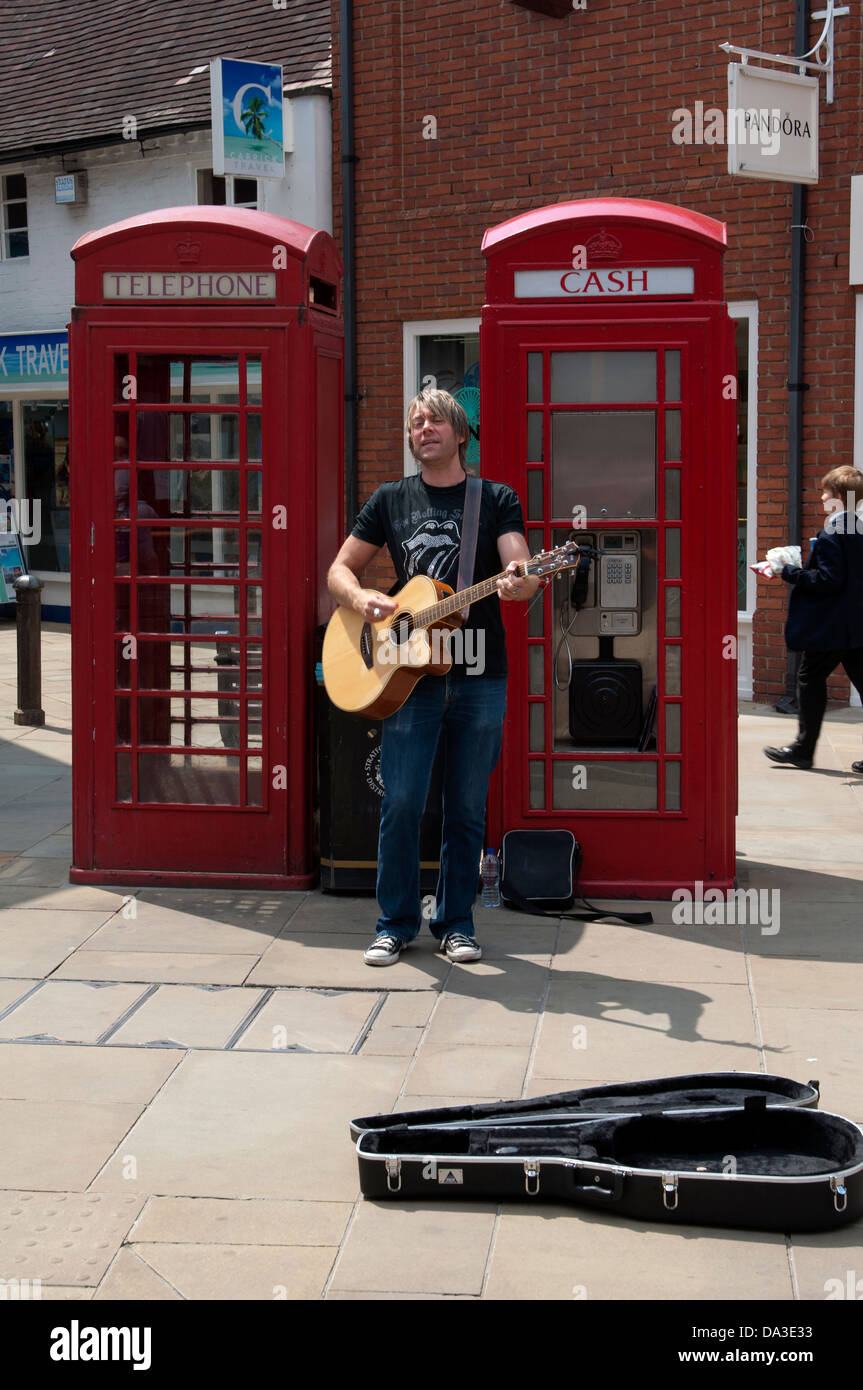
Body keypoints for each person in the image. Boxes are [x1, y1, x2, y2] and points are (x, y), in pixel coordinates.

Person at [327, 388, 539, 965]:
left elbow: (520, 565)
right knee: (401, 803)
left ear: (460, 433)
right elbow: (339, 570)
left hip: (478, 671)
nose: (424, 429)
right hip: (408, 672)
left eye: (436, 421)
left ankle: (455, 922)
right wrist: (365, 597)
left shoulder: (493, 498)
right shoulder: (390, 499)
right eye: (416, 422)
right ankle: (394, 922)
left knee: (466, 806)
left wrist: (523, 577)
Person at [764, 465, 863, 773]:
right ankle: (803, 749)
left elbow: (830, 581)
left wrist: (789, 571)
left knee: (809, 679)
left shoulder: (834, 529)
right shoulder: (856, 527)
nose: (821, 496)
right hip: (855, 624)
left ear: (836, 496)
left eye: (825, 491)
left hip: (832, 626)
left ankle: (803, 750)